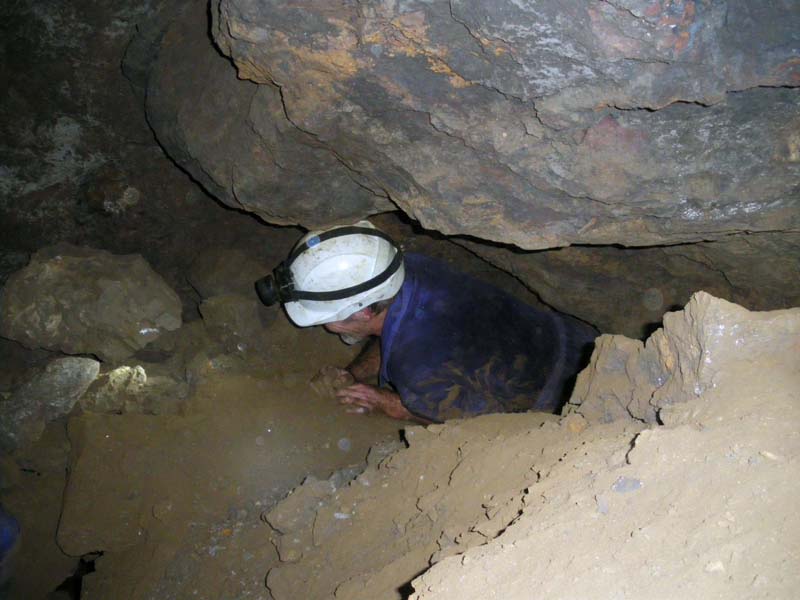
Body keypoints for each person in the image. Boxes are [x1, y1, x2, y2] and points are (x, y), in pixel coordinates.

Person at [255, 221, 597, 423]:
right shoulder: (411, 268)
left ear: (362, 312)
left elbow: (470, 424)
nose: (324, 326)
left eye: (327, 319)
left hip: (571, 402)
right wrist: (354, 374)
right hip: (581, 342)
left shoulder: (418, 369)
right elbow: (393, 330)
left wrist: (386, 403)